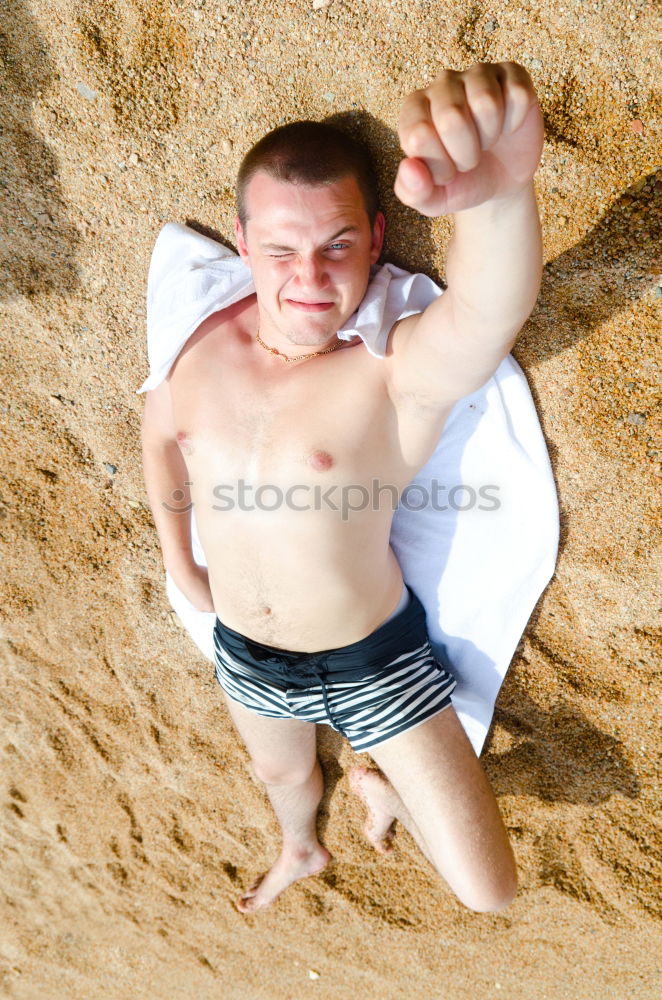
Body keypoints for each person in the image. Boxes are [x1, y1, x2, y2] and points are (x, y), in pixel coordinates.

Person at [141, 61, 544, 915]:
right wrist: (181, 566)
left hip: (373, 662)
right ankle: (301, 846)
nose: (310, 281)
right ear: (245, 247)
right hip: (243, 650)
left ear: (376, 234)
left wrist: (500, 198)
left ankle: (377, 773)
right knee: (278, 771)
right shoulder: (196, 348)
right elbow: (160, 439)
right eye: (281, 251)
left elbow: (484, 313)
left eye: (338, 247)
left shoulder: (388, 374)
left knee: (486, 893)